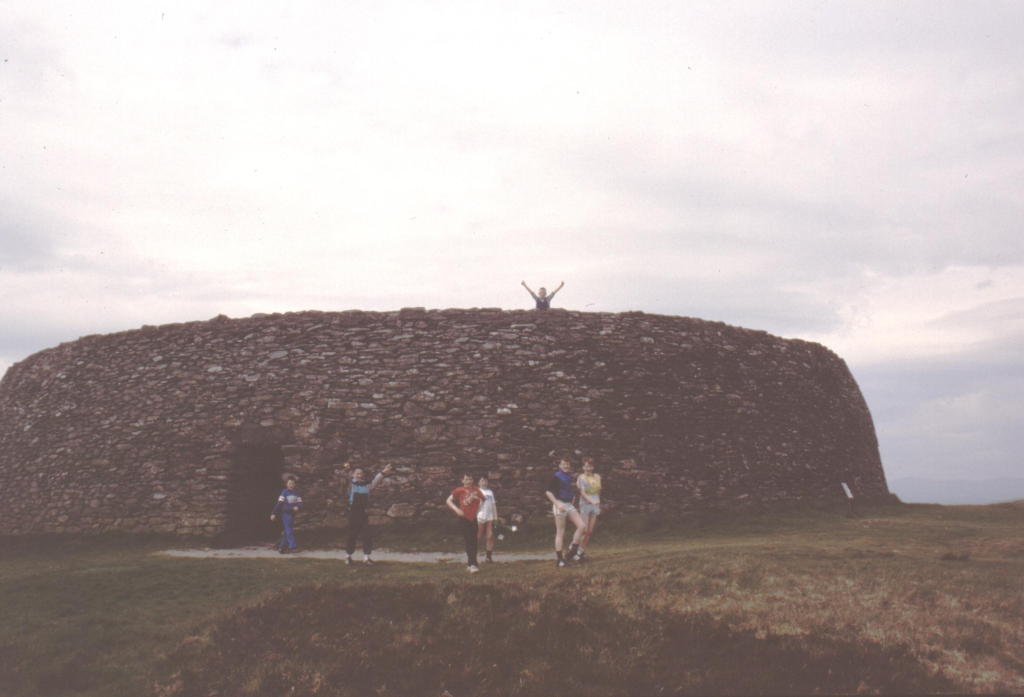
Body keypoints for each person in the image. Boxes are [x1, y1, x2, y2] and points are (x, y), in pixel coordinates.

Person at [344, 463, 394, 565]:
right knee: (352, 535)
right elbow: (348, 476)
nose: (359, 475)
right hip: (353, 512)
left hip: (363, 513)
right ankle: (348, 556)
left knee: (367, 535)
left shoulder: (367, 486)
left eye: (360, 474)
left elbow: (376, 480)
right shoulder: (351, 484)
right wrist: (347, 468)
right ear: (353, 475)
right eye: (357, 473)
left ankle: (366, 557)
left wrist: (383, 472)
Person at [545, 457, 585, 567]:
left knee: (582, 526)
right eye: (563, 464)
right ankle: (560, 560)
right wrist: (557, 503)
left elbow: (568, 490)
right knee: (560, 532)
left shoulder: (569, 476)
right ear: (560, 465)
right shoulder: (556, 476)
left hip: (569, 505)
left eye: (567, 464)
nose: (566, 466)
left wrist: (572, 499)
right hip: (560, 505)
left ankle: (573, 549)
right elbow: (548, 492)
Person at [446, 473, 484, 573]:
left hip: (473, 518)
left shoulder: (476, 490)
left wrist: (478, 510)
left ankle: (471, 563)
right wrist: (457, 510)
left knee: (474, 541)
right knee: (468, 540)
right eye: (466, 479)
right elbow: (448, 501)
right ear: (462, 481)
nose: (469, 481)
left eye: (470, 479)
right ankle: (472, 564)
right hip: (464, 518)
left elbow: (484, 500)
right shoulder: (459, 490)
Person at [576, 457, 602, 561]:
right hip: (585, 505)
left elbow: (599, 490)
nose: (588, 468)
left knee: (590, 531)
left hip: (595, 504)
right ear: (583, 467)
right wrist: (591, 501)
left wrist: (597, 503)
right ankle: (573, 548)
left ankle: (580, 551)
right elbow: (582, 493)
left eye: (590, 466)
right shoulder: (581, 477)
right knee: (584, 530)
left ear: (593, 467)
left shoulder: (597, 476)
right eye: (586, 466)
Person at [270, 474, 303, 554]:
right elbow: (279, 503)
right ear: (286, 484)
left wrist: (297, 506)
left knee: (287, 531)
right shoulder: (284, 492)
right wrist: (273, 513)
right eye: (289, 483)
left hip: (292, 515)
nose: (291, 485)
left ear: (294, 485)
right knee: (289, 530)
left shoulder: (296, 493)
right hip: (285, 514)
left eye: (292, 483)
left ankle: (281, 547)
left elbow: (300, 503)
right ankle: (293, 546)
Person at [476, 475, 498, 563]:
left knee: (490, 536)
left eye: (485, 481)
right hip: (480, 517)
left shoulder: (490, 492)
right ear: (478, 482)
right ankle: (473, 555)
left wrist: (495, 517)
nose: (484, 483)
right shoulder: (477, 491)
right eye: (482, 481)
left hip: (490, 517)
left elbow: (493, 505)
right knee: (478, 536)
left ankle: (488, 557)